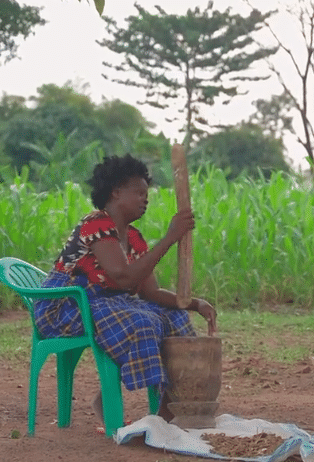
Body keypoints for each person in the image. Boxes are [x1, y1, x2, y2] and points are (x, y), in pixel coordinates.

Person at [34, 154, 217, 423]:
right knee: (143, 321)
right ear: (116, 192)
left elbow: (151, 293)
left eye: (147, 194)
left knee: (173, 316)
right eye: (139, 193)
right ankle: (139, 408)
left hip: (105, 304)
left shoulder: (133, 238)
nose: (146, 199)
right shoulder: (96, 223)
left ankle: (168, 406)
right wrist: (169, 238)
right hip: (67, 306)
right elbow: (123, 278)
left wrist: (195, 303)